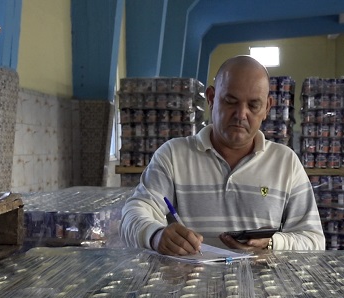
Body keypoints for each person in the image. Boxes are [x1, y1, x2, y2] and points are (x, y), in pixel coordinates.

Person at [120, 55, 325, 255]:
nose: (241, 114)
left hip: (263, 288)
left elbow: (314, 241)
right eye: (230, 101)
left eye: (253, 105)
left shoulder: (285, 163)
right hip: (191, 287)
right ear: (211, 98)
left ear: (267, 108)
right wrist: (156, 235)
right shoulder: (173, 156)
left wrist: (272, 244)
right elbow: (133, 213)